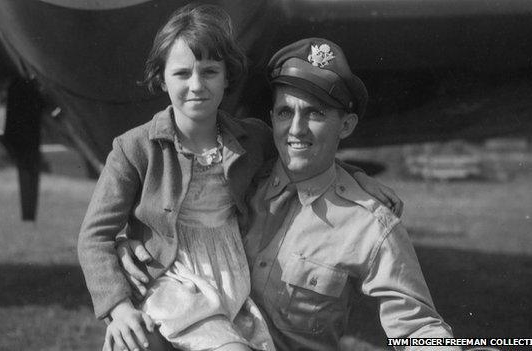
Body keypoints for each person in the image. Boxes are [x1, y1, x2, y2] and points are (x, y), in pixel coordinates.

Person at [78, 5, 401, 351]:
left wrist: (359, 179)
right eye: (182, 73)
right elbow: (94, 236)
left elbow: (305, 162)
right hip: (171, 282)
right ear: (161, 78)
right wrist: (120, 307)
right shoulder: (135, 148)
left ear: (227, 77)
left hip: (233, 278)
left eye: (209, 71)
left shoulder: (252, 138)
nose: (196, 85)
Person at [120, 38, 459, 351]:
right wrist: (128, 242)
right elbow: (170, 212)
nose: (295, 128)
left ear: (346, 125)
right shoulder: (238, 175)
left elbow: (417, 329)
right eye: (286, 112)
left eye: (315, 113)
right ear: (271, 119)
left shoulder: (369, 225)